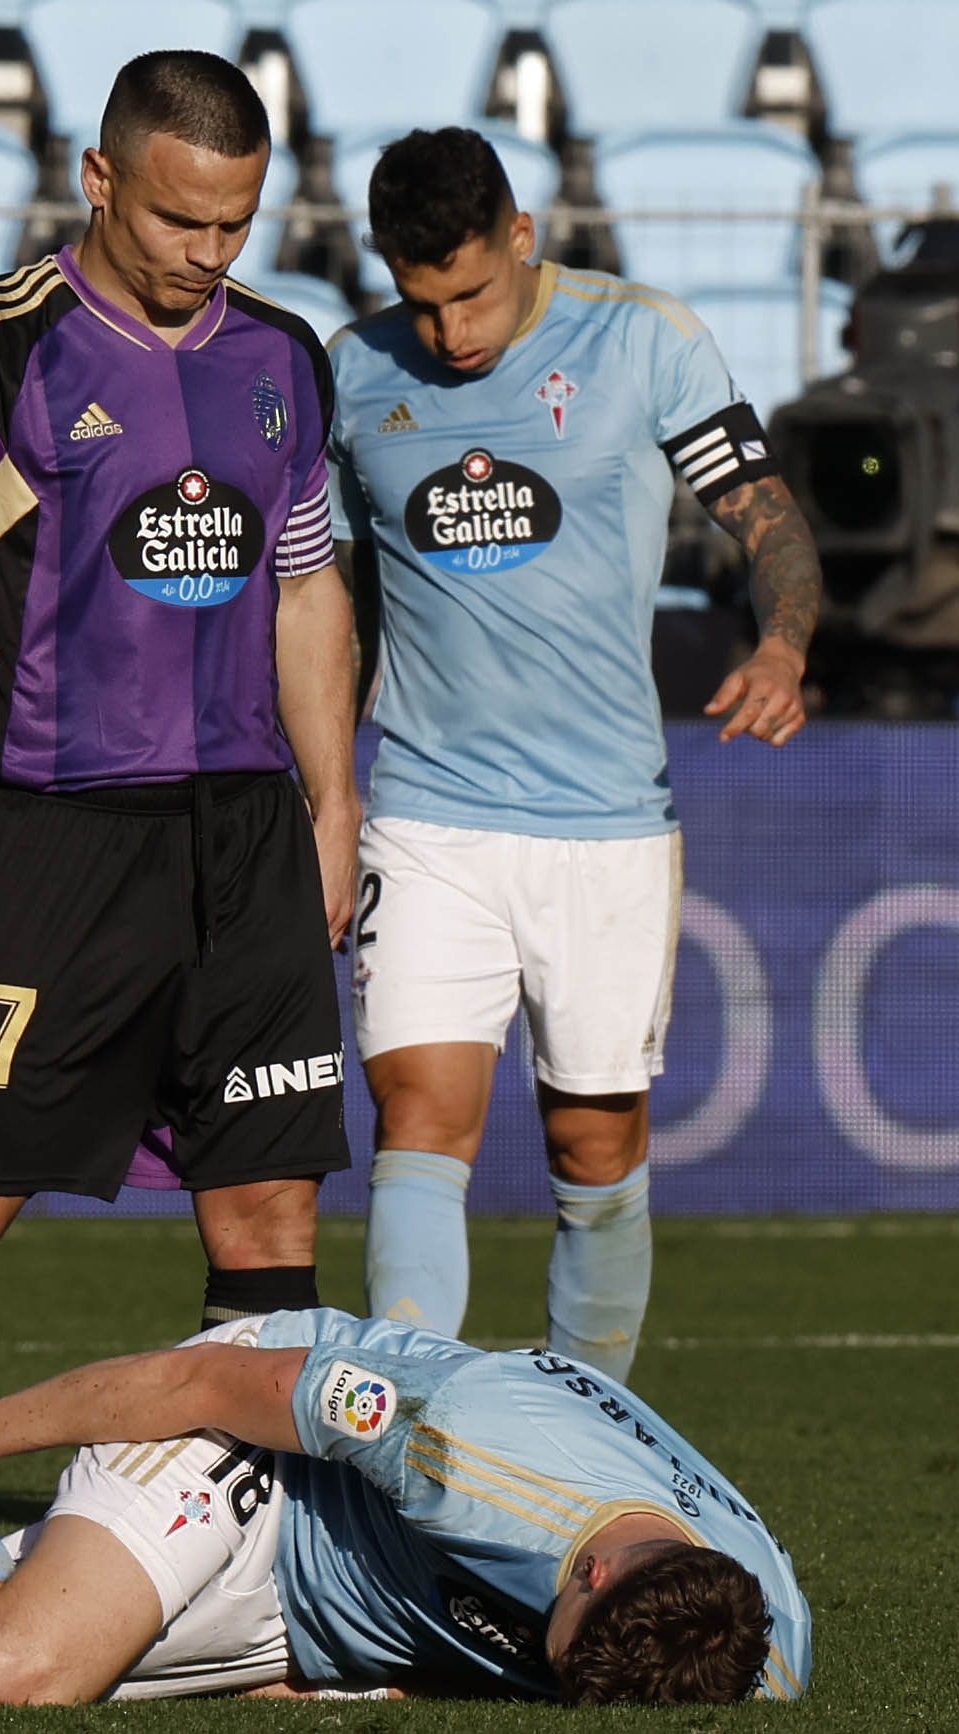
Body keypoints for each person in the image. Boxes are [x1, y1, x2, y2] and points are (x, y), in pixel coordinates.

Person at [0, 47, 359, 1412]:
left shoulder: (283, 358)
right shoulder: (7, 340)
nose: (208, 252)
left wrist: (331, 810)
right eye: (180, 219)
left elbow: (305, 586)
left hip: (244, 840)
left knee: (270, 1221)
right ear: (99, 179)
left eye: (236, 222)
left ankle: (237, 1570)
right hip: (50, 834)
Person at [329, 129, 823, 1374]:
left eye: (473, 295)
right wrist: (325, 784)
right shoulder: (349, 376)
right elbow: (331, 602)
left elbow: (768, 518)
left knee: (593, 1147)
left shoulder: (644, 341)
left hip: (605, 821)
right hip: (428, 813)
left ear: (522, 237)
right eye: (420, 300)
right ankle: (405, 1442)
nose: (448, 334)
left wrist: (782, 646)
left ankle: (583, 1450)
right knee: (419, 1119)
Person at [0, 1308, 811, 1706]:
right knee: (13, 1664)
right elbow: (203, 1379)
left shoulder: (750, 1642)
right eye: (560, 1657)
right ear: (584, 1573)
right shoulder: (459, 1450)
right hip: (250, 1466)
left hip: (310, 1626)